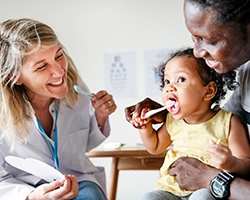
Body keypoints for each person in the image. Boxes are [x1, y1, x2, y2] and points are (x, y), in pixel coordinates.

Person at [125, 0, 250, 199]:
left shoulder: (229, 123)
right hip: (171, 190)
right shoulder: (174, 122)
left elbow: (244, 160)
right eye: (166, 82)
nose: (198, 52)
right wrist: (146, 126)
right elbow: (155, 146)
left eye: (209, 40)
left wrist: (227, 166)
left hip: (208, 192)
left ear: (208, 91)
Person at [0, 18, 117, 200]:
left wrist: (100, 116)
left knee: (90, 195)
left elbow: (83, 145)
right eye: (42, 66)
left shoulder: (76, 88)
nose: (60, 72)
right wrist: (32, 196)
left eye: (59, 56)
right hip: (23, 187)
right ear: (14, 76)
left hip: (76, 179)